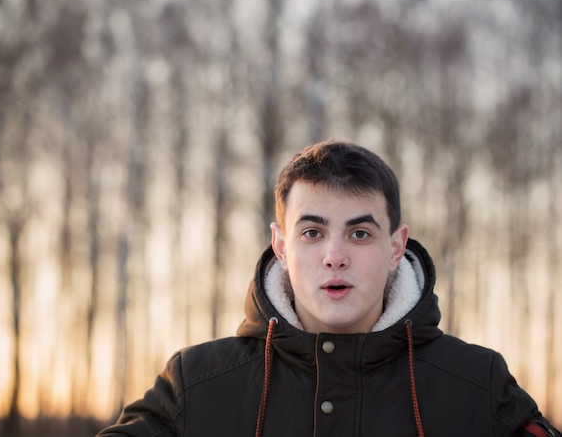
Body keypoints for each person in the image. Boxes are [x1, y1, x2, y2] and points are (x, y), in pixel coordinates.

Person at [97, 140, 560, 436]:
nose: (334, 256)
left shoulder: (478, 387)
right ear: (280, 245)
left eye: (360, 233)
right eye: (312, 232)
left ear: (397, 247)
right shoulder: (196, 386)